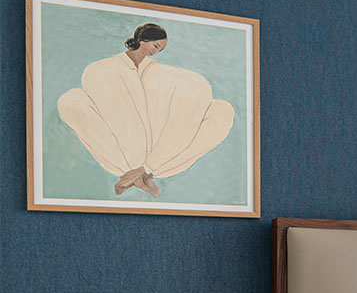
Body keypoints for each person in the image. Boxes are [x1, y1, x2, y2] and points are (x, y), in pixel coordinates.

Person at [57, 23, 234, 197]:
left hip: (160, 158)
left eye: (160, 50)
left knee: (222, 111)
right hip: (121, 153)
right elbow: (121, 117)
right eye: (156, 46)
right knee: (70, 101)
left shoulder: (157, 73)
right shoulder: (105, 69)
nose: (156, 52)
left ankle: (142, 173)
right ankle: (139, 174)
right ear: (143, 39)